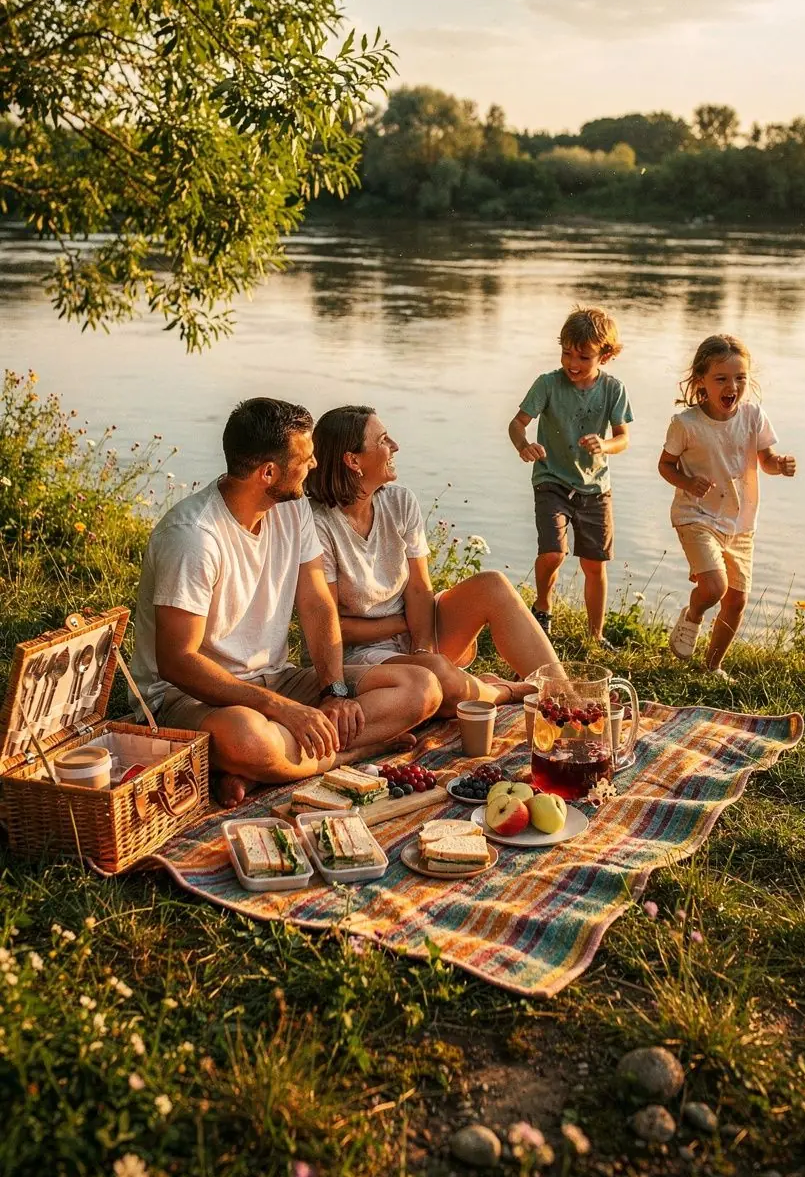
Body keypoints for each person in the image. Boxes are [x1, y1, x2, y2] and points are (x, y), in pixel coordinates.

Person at [130, 398, 443, 807]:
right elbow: (177, 662)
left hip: (276, 678)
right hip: (189, 696)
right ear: (268, 473)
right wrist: (280, 709)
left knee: (421, 687)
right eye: (305, 458)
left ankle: (262, 766)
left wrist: (334, 690)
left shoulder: (292, 510)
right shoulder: (193, 538)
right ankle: (347, 754)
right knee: (248, 737)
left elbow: (316, 604)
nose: (315, 464)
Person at [304, 405, 563, 715]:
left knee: (492, 585)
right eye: (383, 440)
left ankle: (566, 694)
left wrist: (423, 647)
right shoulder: (318, 524)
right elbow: (331, 626)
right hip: (360, 654)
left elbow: (419, 589)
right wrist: (404, 624)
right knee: (438, 675)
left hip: (417, 628)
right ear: (353, 460)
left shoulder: (399, 501)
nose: (395, 446)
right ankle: (506, 691)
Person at [658, 334, 796, 677]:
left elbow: (766, 460)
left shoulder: (753, 416)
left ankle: (712, 667)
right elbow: (665, 465)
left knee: (736, 599)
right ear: (701, 381)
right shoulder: (686, 424)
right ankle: (693, 614)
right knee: (714, 588)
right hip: (696, 515)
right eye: (721, 378)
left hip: (740, 520)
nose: (732, 386)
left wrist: (779, 464)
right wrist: (687, 482)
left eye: (740, 378)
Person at [508, 306, 633, 646]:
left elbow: (623, 438)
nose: (572, 363)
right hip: (551, 480)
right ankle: (542, 606)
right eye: (566, 353)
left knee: (595, 565)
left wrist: (604, 445)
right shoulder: (548, 384)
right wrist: (524, 445)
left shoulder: (614, 389)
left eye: (583, 357)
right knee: (553, 552)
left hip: (596, 487)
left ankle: (596, 635)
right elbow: (517, 423)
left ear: (604, 356)